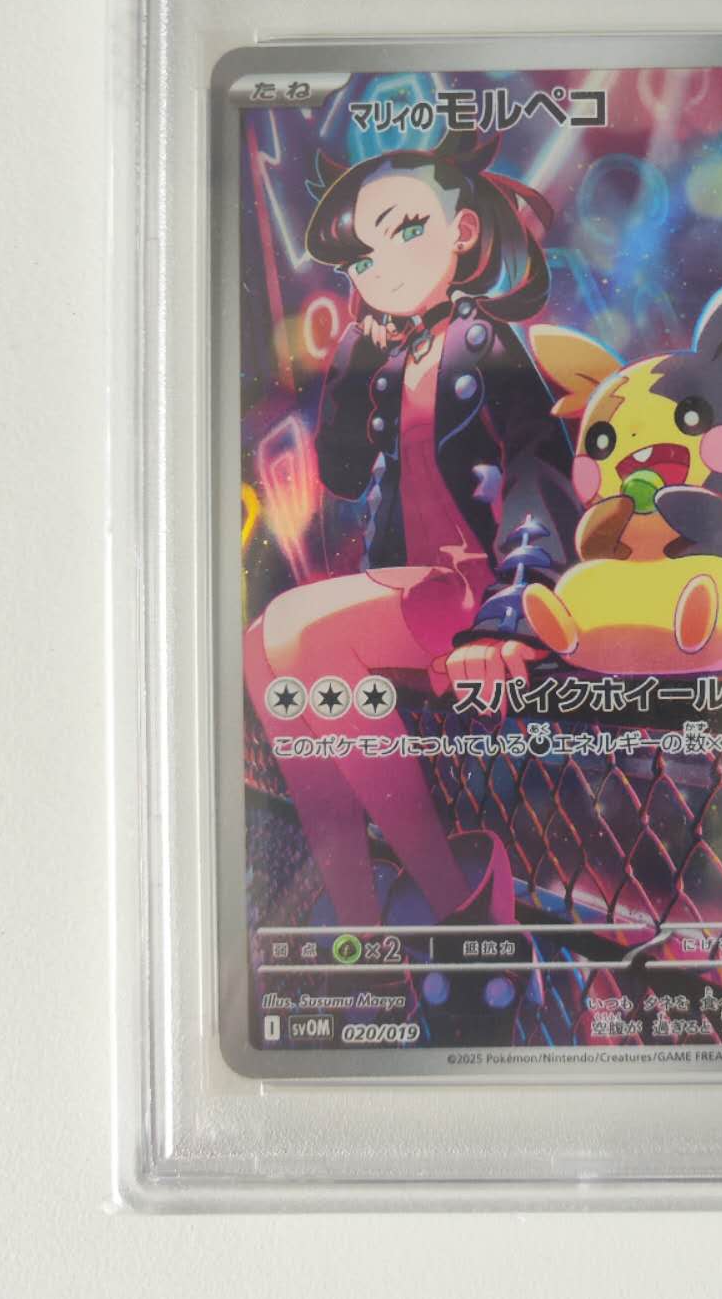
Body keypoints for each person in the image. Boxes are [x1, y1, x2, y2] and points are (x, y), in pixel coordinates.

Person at [244, 130, 578, 929]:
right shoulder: (388, 359)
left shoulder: (486, 345)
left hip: (474, 588)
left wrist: (518, 597)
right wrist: (354, 364)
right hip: (414, 588)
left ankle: (453, 893)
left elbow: (539, 464)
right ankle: (357, 912)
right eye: (361, 259)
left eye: (404, 231)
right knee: (260, 648)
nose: (380, 268)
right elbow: (343, 473)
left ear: (462, 232)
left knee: (295, 631)